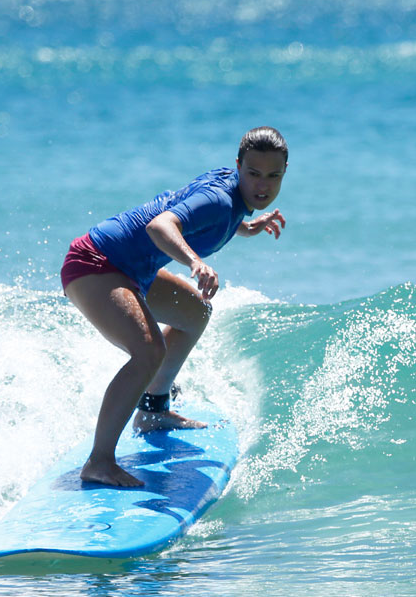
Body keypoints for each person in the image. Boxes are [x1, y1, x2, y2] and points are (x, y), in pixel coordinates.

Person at [60, 126, 288, 487]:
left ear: (284, 172)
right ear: (238, 166)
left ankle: (153, 410)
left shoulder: (232, 195)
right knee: (149, 351)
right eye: (254, 174)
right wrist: (195, 262)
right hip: (96, 263)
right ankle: (99, 461)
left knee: (195, 313)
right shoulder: (219, 199)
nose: (263, 185)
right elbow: (161, 225)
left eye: (273, 176)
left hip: (133, 269)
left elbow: (210, 219)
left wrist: (247, 226)